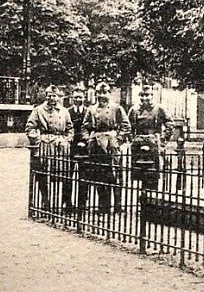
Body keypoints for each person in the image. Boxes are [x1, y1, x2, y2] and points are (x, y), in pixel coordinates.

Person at [82, 84, 130, 213]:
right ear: (96, 94)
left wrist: (118, 140)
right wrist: (88, 139)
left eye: (105, 93)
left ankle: (118, 205)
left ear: (109, 93)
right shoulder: (91, 109)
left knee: (115, 174)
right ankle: (103, 206)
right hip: (97, 144)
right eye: (99, 93)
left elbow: (126, 126)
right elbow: (85, 127)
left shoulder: (116, 108)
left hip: (111, 143)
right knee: (99, 175)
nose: (102, 96)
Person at [25, 85, 73, 212]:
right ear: (46, 96)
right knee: (44, 175)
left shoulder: (64, 111)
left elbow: (70, 129)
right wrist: (38, 140)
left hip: (61, 146)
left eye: (55, 96)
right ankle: (46, 203)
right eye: (50, 95)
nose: (52, 98)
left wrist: (67, 140)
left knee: (64, 175)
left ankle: (64, 203)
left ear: (58, 97)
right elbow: (30, 127)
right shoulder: (38, 110)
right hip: (45, 145)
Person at [129, 84, 175, 189]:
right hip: (138, 143)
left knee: (152, 174)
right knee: (139, 173)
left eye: (147, 95)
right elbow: (128, 126)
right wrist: (132, 139)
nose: (144, 98)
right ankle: (142, 200)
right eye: (142, 95)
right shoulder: (134, 110)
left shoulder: (159, 109)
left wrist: (162, 141)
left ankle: (151, 200)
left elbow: (170, 124)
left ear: (152, 95)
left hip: (153, 143)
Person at [67, 85, 91, 210]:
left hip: (85, 146)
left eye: (80, 97)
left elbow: (90, 128)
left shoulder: (88, 111)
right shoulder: (67, 111)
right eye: (76, 97)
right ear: (72, 98)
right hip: (71, 146)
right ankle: (68, 204)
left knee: (84, 176)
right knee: (67, 176)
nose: (78, 99)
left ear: (84, 97)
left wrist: (85, 141)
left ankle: (82, 204)